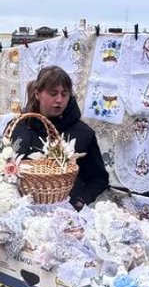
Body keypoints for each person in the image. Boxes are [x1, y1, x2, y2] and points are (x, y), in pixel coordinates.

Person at [9, 65, 109, 209]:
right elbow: (1, 166)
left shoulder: (82, 133)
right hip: (19, 210)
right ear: (38, 94)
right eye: (53, 93)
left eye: (64, 94)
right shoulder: (19, 126)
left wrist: (80, 201)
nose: (59, 100)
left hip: (63, 213)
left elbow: (99, 179)